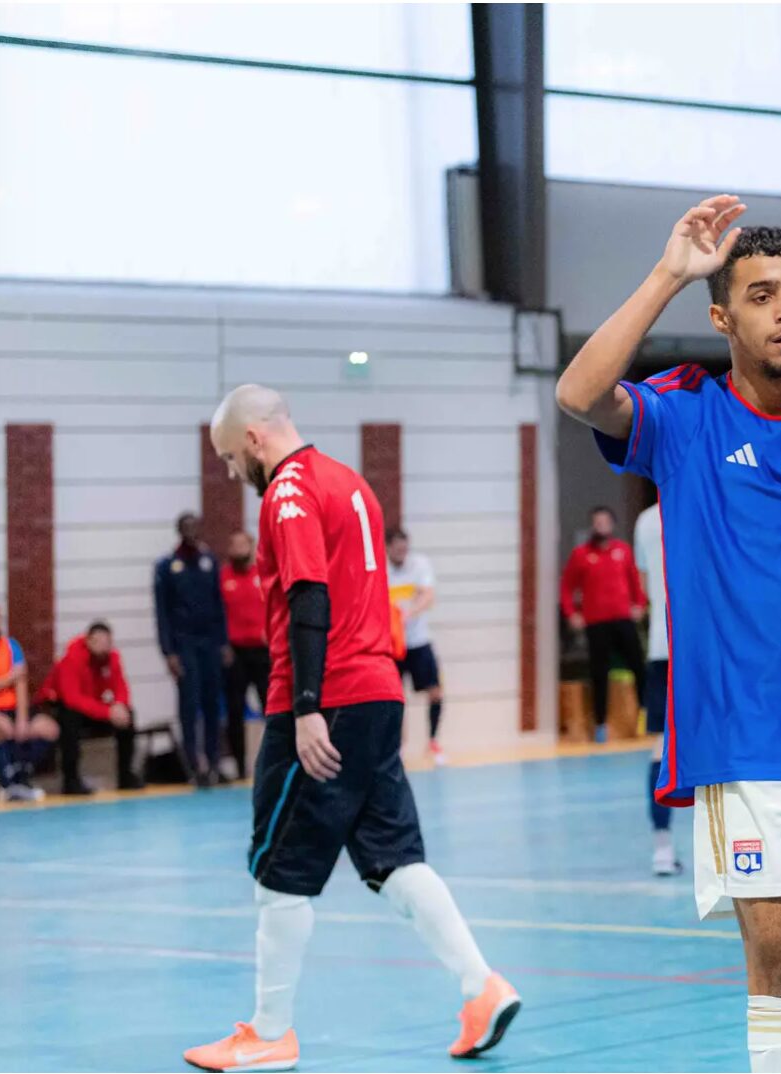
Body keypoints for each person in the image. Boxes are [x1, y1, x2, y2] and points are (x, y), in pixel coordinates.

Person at [555, 199, 781, 1074]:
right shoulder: (684, 417)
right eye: (761, 296)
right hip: (749, 742)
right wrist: (669, 271)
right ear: (722, 316)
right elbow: (577, 393)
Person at [186, 385, 519, 1072]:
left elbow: (310, 592)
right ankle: (481, 986)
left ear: (253, 439)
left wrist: (306, 706)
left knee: (280, 871)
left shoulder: (287, 491)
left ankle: (271, 1032)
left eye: (227, 457)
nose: (229, 472)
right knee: (394, 859)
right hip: (377, 693)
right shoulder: (349, 482)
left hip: (325, 700)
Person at [559, 507, 647, 744]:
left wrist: (639, 603)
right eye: (597, 522)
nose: (601, 526)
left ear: (612, 524)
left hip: (623, 618)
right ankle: (601, 724)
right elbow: (566, 587)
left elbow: (635, 581)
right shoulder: (581, 554)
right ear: (592, 525)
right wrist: (571, 613)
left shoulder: (623, 551)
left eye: (605, 522)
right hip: (596, 623)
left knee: (638, 665)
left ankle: (647, 716)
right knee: (599, 673)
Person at [155, 511, 230, 786]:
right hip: (184, 644)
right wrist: (168, 652)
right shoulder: (167, 566)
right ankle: (193, 765)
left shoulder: (209, 561)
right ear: (178, 530)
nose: (190, 531)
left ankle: (213, 762)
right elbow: (162, 612)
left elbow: (219, 605)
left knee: (212, 704)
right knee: (190, 704)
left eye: (194, 526)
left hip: (210, 642)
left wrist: (224, 642)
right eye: (185, 527)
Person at [633, 499, 680, 877]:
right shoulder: (706, 500)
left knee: (661, 746)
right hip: (704, 647)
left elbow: (646, 579)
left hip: (660, 648)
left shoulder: (645, 521)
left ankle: (662, 850)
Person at [43, 622, 143, 795]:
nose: (104, 647)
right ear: (89, 641)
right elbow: (72, 698)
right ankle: (71, 779)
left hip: (94, 707)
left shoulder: (112, 658)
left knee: (128, 716)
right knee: (70, 719)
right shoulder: (71, 659)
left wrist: (120, 705)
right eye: (99, 642)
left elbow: (121, 687)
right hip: (66, 708)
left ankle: (125, 776)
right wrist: (107, 712)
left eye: (108, 643)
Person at [0, 600, 55, 801]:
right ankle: (7, 784)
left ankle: (22, 774)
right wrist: (10, 677)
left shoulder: (11, 646)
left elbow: (21, 683)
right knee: (1, 727)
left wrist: (22, 719)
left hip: (12, 708)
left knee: (47, 728)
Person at [386, 527, 447, 765]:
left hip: (418, 640)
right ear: (388, 548)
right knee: (395, 698)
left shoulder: (419, 565)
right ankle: (398, 747)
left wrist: (411, 612)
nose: (402, 553)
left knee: (435, 692)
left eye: (405, 548)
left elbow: (428, 595)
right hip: (393, 646)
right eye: (397, 549)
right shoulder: (382, 569)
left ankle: (433, 742)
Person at [221, 530, 270, 782]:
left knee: (270, 707)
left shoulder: (261, 573)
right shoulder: (223, 577)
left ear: (251, 546)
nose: (239, 548)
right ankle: (240, 766)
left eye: (243, 543)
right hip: (236, 654)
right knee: (235, 710)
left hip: (262, 652)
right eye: (235, 544)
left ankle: (274, 761)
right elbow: (217, 614)